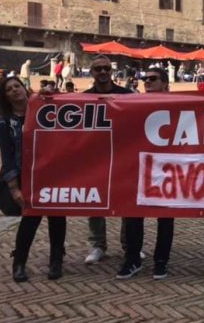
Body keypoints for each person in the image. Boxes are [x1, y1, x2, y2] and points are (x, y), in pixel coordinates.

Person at [0, 76, 67, 282]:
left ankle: (56, 260)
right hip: (27, 176)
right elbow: (7, 158)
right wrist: (14, 188)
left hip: (52, 171)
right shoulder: (4, 124)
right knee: (30, 219)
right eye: (9, 89)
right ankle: (19, 262)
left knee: (57, 218)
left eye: (17, 86)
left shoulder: (43, 108)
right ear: (5, 96)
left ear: (24, 87)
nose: (15, 90)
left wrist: (53, 96)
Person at [116, 68, 176, 280]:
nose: (147, 82)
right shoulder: (134, 104)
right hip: (139, 166)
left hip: (168, 167)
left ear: (166, 84)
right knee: (133, 214)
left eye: (152, 79)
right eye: (145, 79)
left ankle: (161, 261)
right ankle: (132, 259)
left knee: (166, 217)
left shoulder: (178, 104)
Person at [83, 55, 133, 264]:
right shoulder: (83, 98)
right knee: (95, 201)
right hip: (95, 156)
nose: (103, 72)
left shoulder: (128, 95)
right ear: (92, 72)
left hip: (124, 153)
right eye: (98, 69)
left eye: (106, 68)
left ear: (111, 71)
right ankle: (98, 245)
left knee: (127, 202)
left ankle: (130, 245)